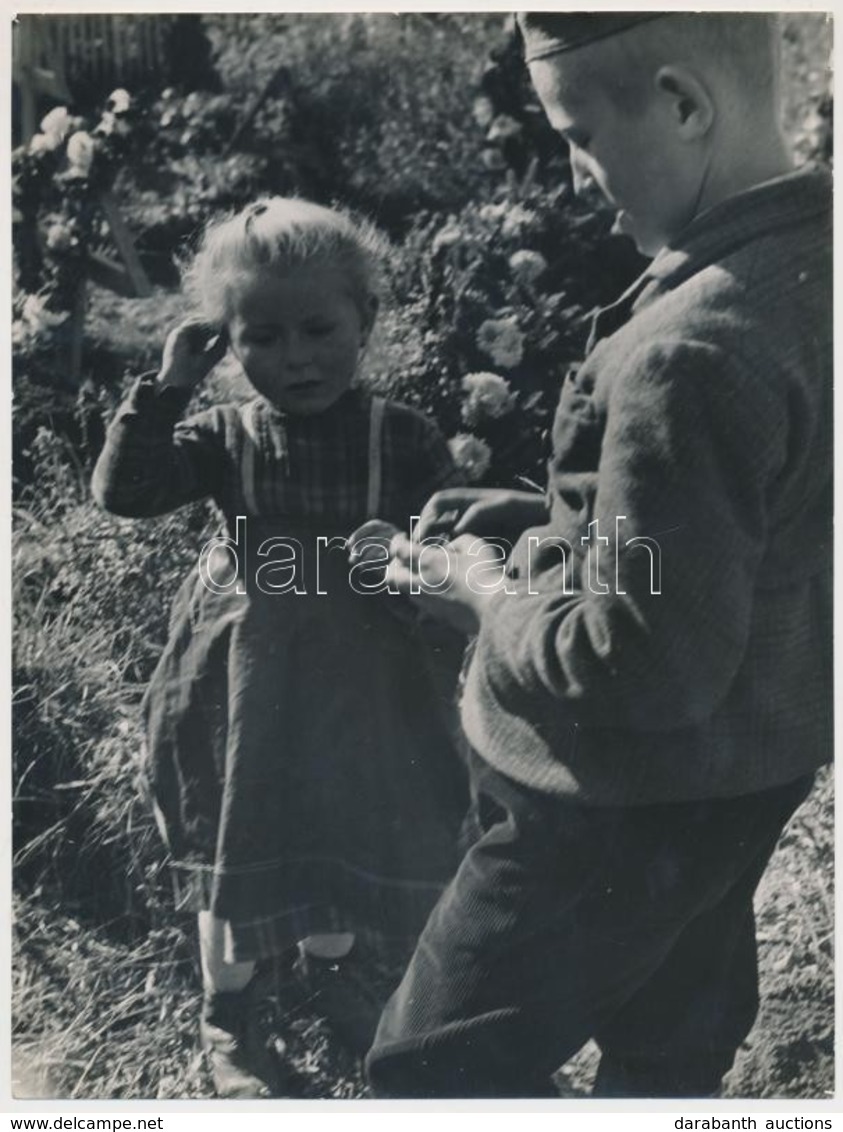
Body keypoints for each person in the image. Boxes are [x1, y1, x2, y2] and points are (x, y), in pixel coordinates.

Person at [365, 12, 832, 1098]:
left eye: (579, 135)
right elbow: (758, 521)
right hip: (746, 768)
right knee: (669, 1046)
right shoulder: (813, 264)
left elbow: (636, 662)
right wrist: (558, 519)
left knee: (429, 1067)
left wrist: (482, 591)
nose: (577, 179)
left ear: (681, 104)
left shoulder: (691, 348)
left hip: (609, 799)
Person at [91, 197, 468, 1098]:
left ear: (364, 322)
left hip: (365, 688)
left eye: (316, 328)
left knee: (340, 825)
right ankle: (231, 1013)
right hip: (244, 688)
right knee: (242, 833)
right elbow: (125, 492)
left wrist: (413, 563)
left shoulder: (404, 440)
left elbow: (454, 553)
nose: (294, 356)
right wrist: (170, 385)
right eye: (261, 335)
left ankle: (337, 974)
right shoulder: (225, 439)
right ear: (228, 342)